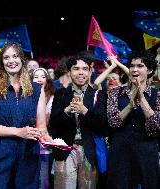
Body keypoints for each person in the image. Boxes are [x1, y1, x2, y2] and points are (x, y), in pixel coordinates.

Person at [0, 42, 52, 189]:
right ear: (1, 62)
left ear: (22, 60)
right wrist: (18, 132)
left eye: (15, 56)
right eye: (6, 57)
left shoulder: (37, 89)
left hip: (28, 155)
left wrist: (49, 139)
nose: (11, 61)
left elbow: (42, 126)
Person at [50, 53, 108, 189]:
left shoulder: (98, 95)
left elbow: (104, 126)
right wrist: (67, 111)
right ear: (69, 72)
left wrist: (85, 111)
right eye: (76, 69)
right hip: (65, 151)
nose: (80, 72)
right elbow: (53, 124)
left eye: (85, 69)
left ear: (90, 72)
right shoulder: (60, 94)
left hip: (89, 151)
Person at [106, 50, 159, 189]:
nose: (134, 69)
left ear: (150, 70)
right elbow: (113, 122)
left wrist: (141, 99)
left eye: (140, 66)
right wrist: (130, 105)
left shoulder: (157, 94)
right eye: (132, 65)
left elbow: (157, 127)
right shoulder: (115, 92)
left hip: (147, 153)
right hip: (120, 153)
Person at [32, 67, 56, 189]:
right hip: (29, 142)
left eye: (42, 76)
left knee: (44, 177)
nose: (39, 79)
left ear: (47, 80)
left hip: (46, 143)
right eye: (36, 77)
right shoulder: (27, 97)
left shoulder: (54, 98)